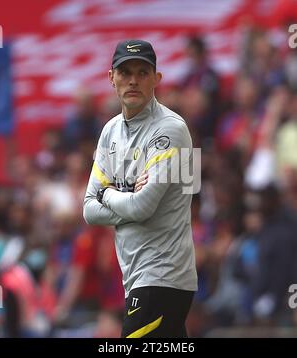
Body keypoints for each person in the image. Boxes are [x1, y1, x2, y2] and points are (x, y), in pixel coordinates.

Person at [83, 39, 197, 338]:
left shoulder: (171, 128)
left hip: (162, 276)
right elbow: (88, 210)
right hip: (137, 278)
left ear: (157, 79)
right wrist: (130, 197)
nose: (133, 80)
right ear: (111, 78)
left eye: (143, 72)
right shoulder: (110, 131)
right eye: (125, 72)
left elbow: (141, 207)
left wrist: (107, 194)